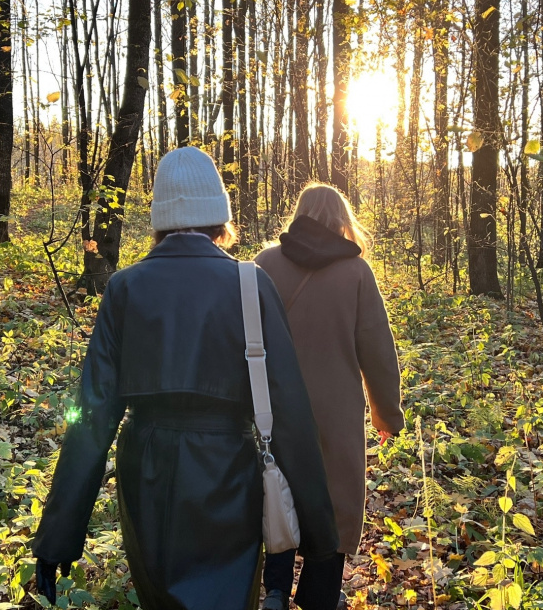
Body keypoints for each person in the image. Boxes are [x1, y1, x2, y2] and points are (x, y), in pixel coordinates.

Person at [32, 148, 343, 610]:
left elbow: (92, 415)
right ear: (219, 215)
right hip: (228, 471)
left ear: (159, 219)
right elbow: (290, 414)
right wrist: (320, 543)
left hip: (146, 470)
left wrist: (58, 534)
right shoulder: (250, 283)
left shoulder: (125, 287)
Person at [254, 183, 405, 610]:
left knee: (277, 491)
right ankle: (319, 595)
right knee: (337, 500)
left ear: (299, 214)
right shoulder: (356, 272)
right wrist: (387, 414)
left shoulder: (263, 264)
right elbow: (376, 349)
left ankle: (276, 591)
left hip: (274, 407)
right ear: (342, 218)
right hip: (336, 411)